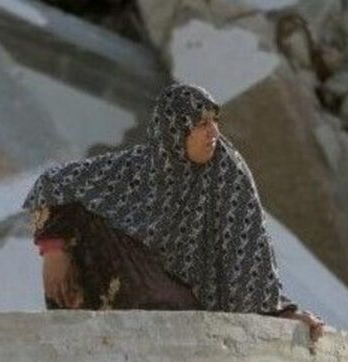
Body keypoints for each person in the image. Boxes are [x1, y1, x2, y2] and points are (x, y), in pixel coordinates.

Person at [23, 83, 325, 341]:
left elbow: (249, 253)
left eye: (215, 121)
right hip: (129, 290)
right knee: (85, 216)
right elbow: (54, 183)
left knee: (168, 306)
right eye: (202, 124)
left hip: (194, 300)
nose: (214, 132)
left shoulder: (227, 174)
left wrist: (280, 313)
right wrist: (54, 251)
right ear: (175, 130)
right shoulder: (138, 168)